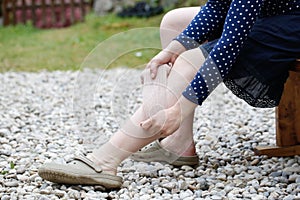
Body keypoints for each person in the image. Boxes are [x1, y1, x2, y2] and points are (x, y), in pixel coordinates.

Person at [38, 0, 300, 189]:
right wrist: (172, 49)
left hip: (291, 23)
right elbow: (218, 8)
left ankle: (105, 161)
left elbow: (230, 44)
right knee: (174, 22)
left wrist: (181, 106)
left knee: (190, 61)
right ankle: (178, 143)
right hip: (275, 11)